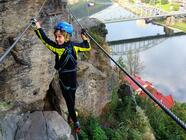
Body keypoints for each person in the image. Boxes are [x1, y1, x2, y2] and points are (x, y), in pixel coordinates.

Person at [31, 19, 91, 133]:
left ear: (67, 36)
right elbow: (87, 46)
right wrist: (84, 37)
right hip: (73, 80)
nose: (57, 39)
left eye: (60, 37)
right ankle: (73, 114)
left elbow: (45, 40)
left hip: (65, 82)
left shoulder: (58, 49)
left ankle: (75, 121)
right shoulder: (75, 46)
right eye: (56, 36)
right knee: (71, 99)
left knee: (69, 102)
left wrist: (37, 27)